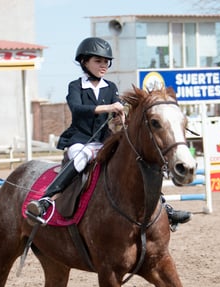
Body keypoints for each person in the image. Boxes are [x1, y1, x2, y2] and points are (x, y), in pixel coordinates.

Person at [26, 37, 191, 228]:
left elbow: (116, 109)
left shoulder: (110, 87)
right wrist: (107, 108)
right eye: (98, 61)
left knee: (134, 163)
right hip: (81, 140)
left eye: (106, 61)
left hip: (105, 140)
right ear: (84, 62)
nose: (103, 65)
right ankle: (46, 200)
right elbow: (77, 109)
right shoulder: (76, 86)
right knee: (80, 159)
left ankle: (163, 206)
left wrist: (121, 115)